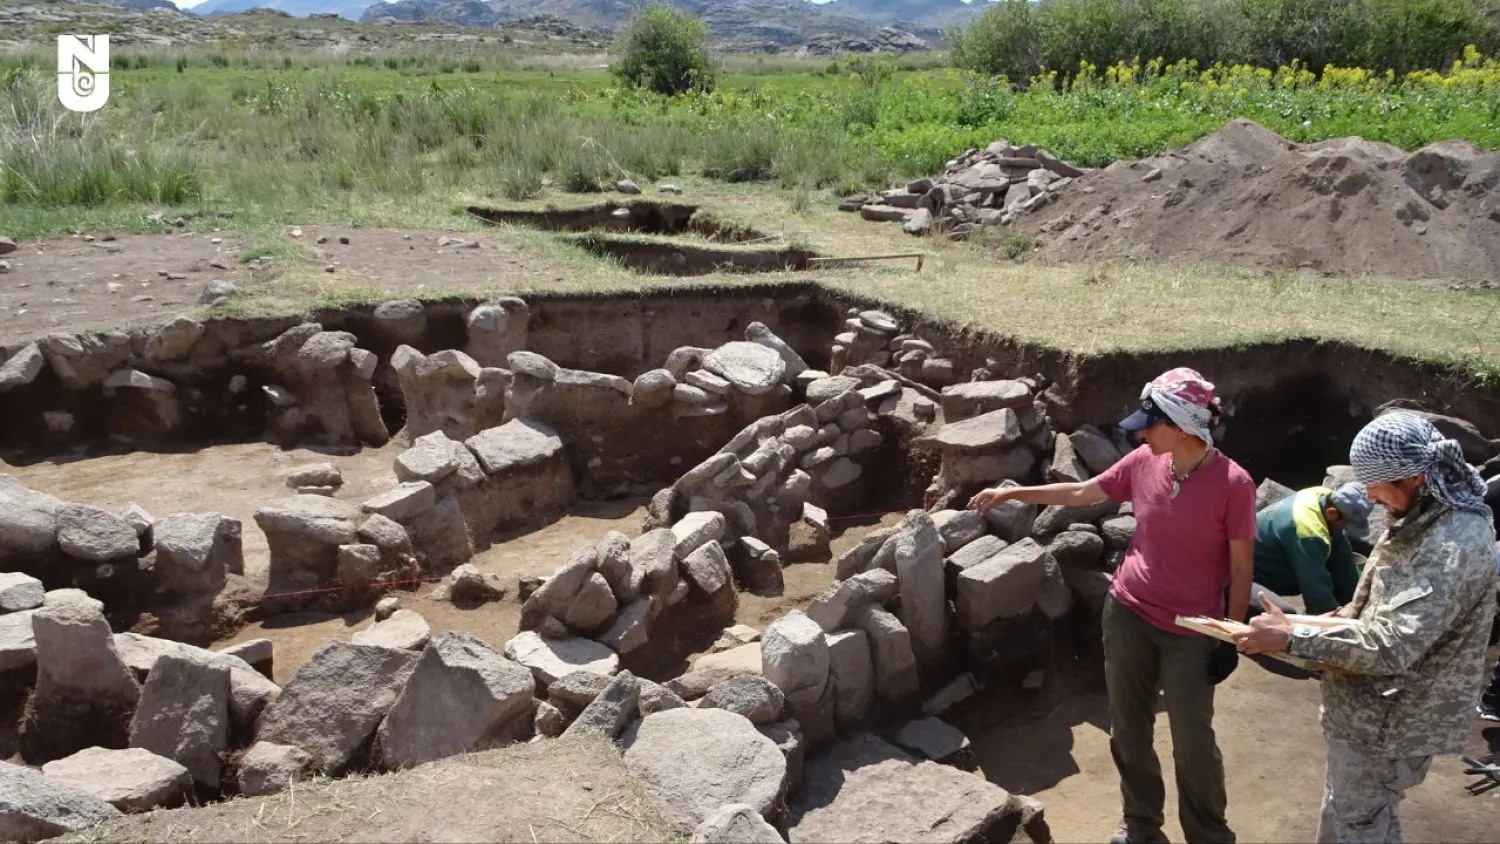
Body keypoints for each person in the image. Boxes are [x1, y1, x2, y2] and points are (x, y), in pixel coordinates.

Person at [970, 367, 1255, 844]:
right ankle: (1141, 825)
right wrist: (1011, 490)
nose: (1141, 432)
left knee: (1193, 741)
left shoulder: (1234, 483)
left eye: (1150, 423)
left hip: (1193, 629)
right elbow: (1083, 493)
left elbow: (1241, 568)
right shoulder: (1144, 461)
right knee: (1128, 728)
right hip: (1127, 613)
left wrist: (1231, 634)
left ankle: (1209, 835)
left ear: (1183, 424)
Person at [1235, 412, 1498, 844]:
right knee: (1354, 817)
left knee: (1359, 825)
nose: (1371, 495)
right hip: (1372, 718)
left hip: (1391, 726)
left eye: (1377, 483)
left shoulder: (1451, 546)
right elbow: (1376, 607)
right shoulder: (1421, 521)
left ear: (1414, 477)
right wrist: (1326, 620)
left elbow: (1391, 645)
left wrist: (1293, 637)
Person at [1251, 482, 1372, 616]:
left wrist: (1360, 600)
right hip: (1250, 575)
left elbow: (1343, 561)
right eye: (1346, 524)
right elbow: (1317, 594)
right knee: (1285, 614)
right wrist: (1337, 620)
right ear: (1332, 513)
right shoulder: (1308, 533)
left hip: (1282, 557)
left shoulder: (1325, 496)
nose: (1345, 528)